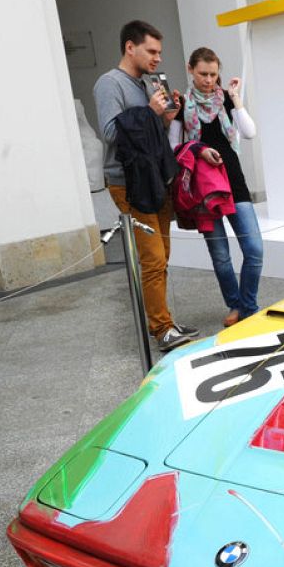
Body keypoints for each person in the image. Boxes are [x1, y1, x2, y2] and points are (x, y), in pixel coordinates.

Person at [94, 20, 197, 352]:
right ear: (130, 47)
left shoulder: (145, 84)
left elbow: (148, 131)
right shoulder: (109, 84)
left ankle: (165, 320)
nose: (157, 58)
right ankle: (161, 328)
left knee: (163, 254)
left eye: (159, 52)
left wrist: (165, 117)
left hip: (155, 176)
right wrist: (150, 114)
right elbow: (111, 133)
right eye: (151, 51)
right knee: (152, 257)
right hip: (129, 182)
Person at [169, 47, 263, 327]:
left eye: (213, 74)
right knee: (221, 256)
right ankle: (235, 305)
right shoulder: (181, 104)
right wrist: (198, 150)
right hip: (202, 187)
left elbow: (249, 132)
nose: (209, 80)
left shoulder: (226, 100)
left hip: (233, 180)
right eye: (203, 74)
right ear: (190, 69)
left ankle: (249, 305)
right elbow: (173, 147)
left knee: (254, 249)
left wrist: (235, 98)